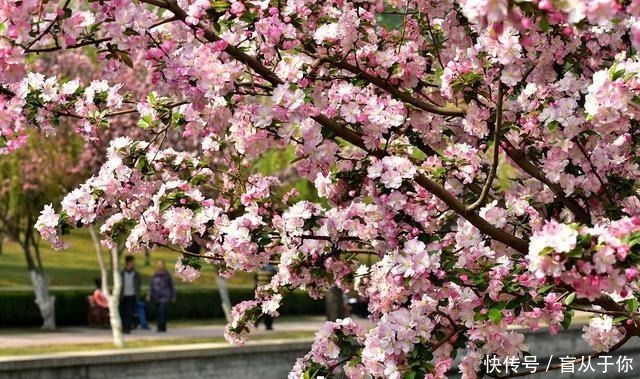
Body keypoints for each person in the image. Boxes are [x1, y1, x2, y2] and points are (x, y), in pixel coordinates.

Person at [147, 260, 175, 332]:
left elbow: (171, 286)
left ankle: (161, 327)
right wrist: (149, 294)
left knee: (161, 311)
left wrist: (173, 296)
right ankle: (161, 326)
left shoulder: (167, 274)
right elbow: (151, 285)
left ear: (164, 265)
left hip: (165, 296)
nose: (160, 266)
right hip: (157, 296)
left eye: (161, 264)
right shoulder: (155, 274)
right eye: (158, 264)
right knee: (158, 312)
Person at [120, 255, 141, 334]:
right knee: (123, 313)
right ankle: (123, 327)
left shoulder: (136, 274)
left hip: (131, 296)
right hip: (123, 296)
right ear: (128, 262)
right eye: (132, 262)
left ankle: (127, 328)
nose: (133, 264)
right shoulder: (122, 273)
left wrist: (137, 294)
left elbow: (138, 285)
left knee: (129, 313)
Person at [254, 264, 277, 330]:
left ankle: (257, 321)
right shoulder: (272, 270)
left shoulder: (258, 269)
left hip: (260, 293)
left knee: (261, 309)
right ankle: (268, 325)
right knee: (269, 310)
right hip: (268, 293)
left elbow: (255, 281)